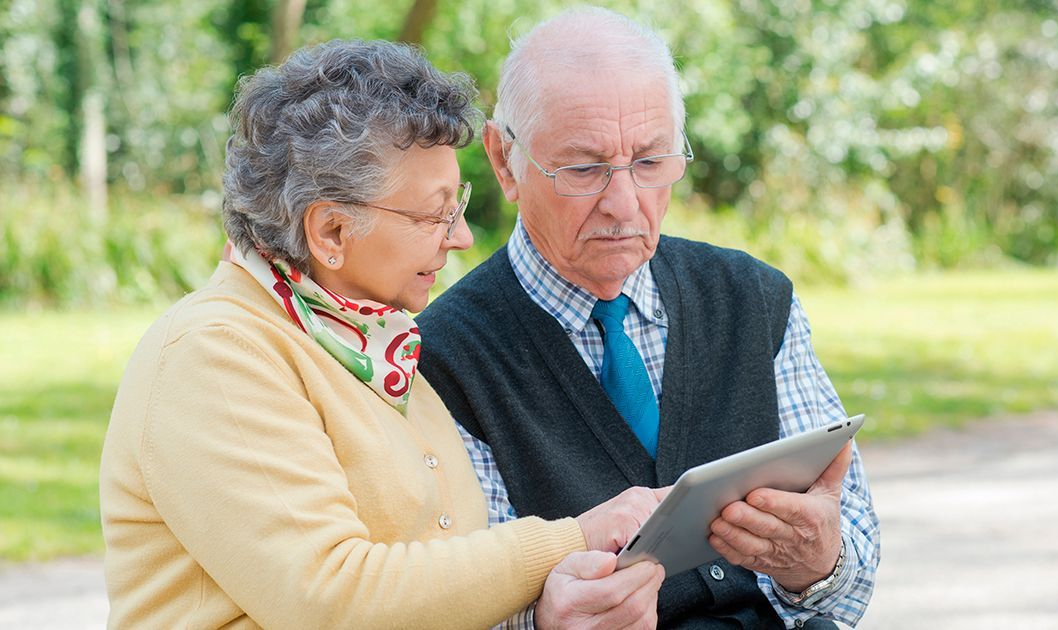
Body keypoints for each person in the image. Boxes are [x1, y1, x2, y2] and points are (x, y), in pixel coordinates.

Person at [99, 39, 667, 629]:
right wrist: (571, 540)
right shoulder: (216, 354)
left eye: (459, 205)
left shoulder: (377, 346)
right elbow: (330, 599)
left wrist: (547, 614)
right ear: (332, 231)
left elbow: (436, 589)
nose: (461, 237)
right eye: (434, 214)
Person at [416, 8, 881, 629]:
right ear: (505, 162)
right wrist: (541, 622)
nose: (624, 202)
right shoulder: (445, 356)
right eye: (585, 168)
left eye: (651, 161)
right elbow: (458, 597)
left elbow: (852, 574)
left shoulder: (753, 300)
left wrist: (819, 564)